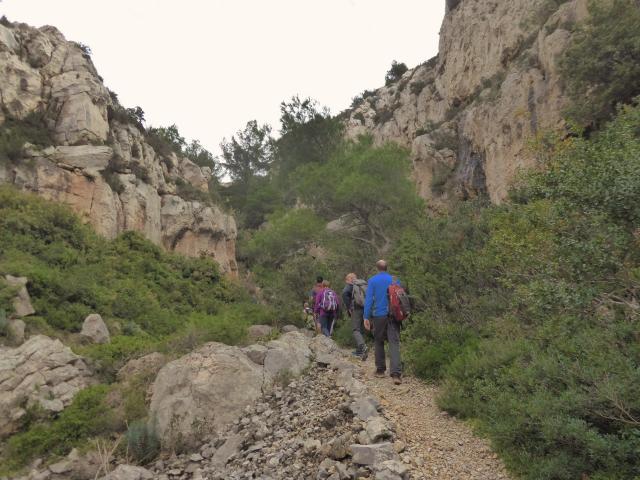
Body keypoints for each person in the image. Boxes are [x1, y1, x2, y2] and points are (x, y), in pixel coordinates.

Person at [364, 260, 402, 385]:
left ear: (377, 268)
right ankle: (396, 374)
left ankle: (380, 370)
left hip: (379, 315)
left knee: (379, 341)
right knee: (394, 343)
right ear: (387, 268)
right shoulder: (395, 280)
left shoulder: (372, 281)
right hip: (394, 316)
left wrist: (366, 317)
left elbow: (369, 300)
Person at [342, 273, 368, 360]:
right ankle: (360, 350)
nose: (346, 281)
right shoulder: (362, 284)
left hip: (356, 309)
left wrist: (349, 307)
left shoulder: (350, 286)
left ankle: (362, 346)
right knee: (361, 329)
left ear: (350, 279)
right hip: (365, 308)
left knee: (355, 329)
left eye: (346, 279)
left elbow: (344, 293)